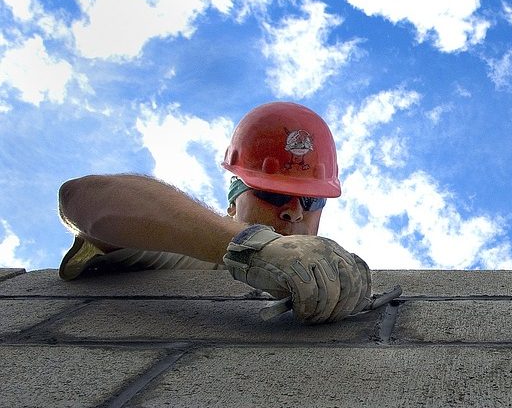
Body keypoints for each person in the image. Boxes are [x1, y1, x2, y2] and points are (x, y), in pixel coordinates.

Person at [57, 102, 386, 324]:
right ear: (233, 201)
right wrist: (253, 247)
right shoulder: (182, 252)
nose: (294, 213)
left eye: (312, 201)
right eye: (272, 193)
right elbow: (81, 197)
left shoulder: (332, 285)